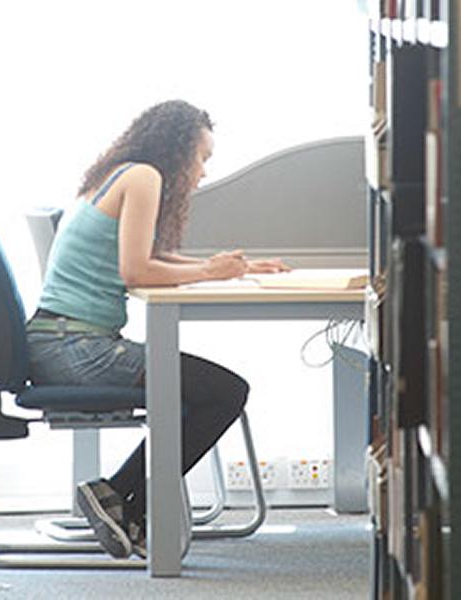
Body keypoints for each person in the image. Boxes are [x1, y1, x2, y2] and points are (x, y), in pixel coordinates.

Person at [25, 100, 289, 559]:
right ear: (178, 148)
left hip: (63, 341)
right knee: (226, 392)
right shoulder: (143, 177)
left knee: (213, 389)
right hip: (78, 348)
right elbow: (136, 271)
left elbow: (153, 257)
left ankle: (120, 501)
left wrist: (228, 268)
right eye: (202, 157)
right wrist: (211, 274)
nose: (203, 172)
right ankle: (120, 496)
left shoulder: (120, 172)